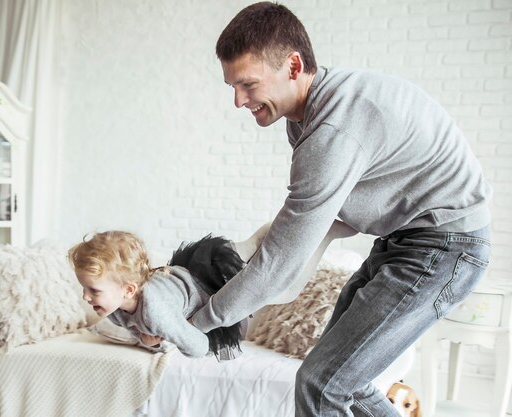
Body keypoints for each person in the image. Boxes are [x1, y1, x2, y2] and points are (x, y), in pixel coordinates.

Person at [187, 2, 492, 416]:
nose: (238, 101)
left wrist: (197, 325)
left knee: (321, 384)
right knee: (345, 380)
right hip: (409, 240)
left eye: (248, 85)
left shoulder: (331, 130)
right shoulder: (309, 115)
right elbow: (322, 224)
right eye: (232, 87)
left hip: (445, 246)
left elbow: (280, 261)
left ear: (293, 66)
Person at [68, 228, 267, 360]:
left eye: (94, 290)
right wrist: (146, 340)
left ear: (128, 290)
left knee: (240, 268)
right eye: (85, 288)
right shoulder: (114, 310)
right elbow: (139, 331)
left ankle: (260, 241)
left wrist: (175, 334)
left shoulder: (156, 313)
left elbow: (199, 347)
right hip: (176, 282)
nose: (85, 297)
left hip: (206, 283)